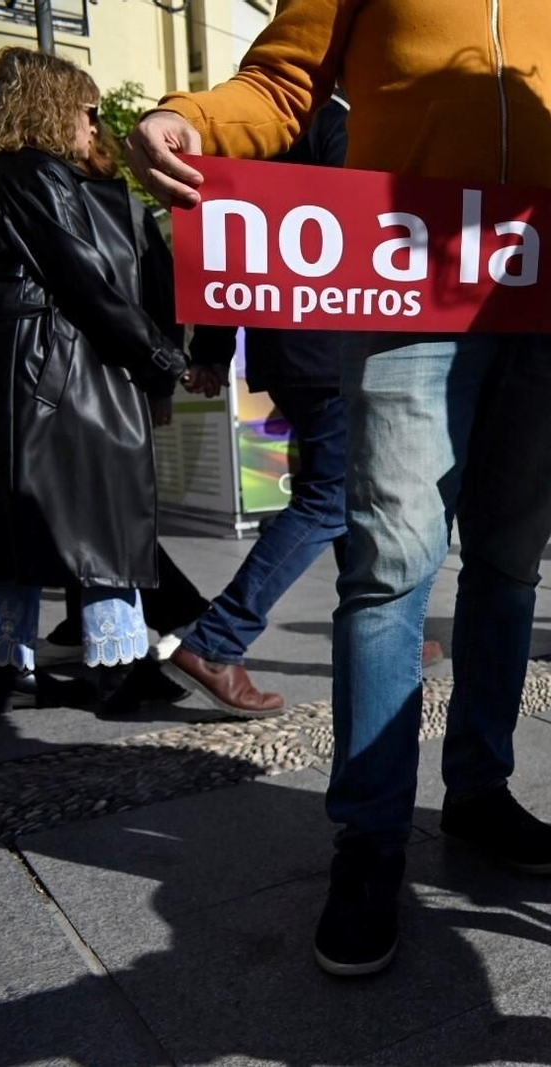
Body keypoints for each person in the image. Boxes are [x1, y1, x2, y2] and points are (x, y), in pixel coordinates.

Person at [127, 0, 551, 977]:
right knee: (389, 564)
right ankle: (370, 837)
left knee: (509, 561)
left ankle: (479, 789)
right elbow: (283, 86)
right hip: (407, 286)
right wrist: (189, 115)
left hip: (548, 293)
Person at [0, 48, 188, 716]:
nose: (94, 127)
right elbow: (85, 277)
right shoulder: (37, 173)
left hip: (15, 365)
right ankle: (119, 669)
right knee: (101, 518)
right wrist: (159, 357)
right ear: (52, 107)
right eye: (88, 113)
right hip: (57, 366)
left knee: (23, 532)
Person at [170, 95, 359, 716]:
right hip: (331, 344)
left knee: (350, 496)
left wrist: (213, 348)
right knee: (331, 497)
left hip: (283, 350)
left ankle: (384, 633)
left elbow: (231, 244)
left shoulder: (249, 132)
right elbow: (362, 221)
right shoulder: (333, 122)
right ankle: (217, 640)